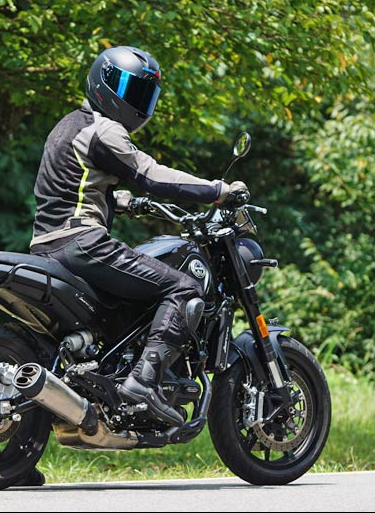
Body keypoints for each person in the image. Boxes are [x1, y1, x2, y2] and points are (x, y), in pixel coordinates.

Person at [29, 46, 249, 426]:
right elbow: (150, 174)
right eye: (129, 89)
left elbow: (70, 184)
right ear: (103, 82)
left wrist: (117, 199)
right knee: (184, 288)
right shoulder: (104, 129)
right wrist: (218, 190)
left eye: (143, 93)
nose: (135, 100)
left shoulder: (68, 125)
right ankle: (143, 383)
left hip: (46, 246)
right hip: (82, 243)